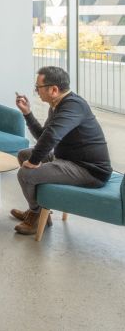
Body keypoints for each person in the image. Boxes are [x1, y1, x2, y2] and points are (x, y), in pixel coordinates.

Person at [11, 66, 112, 235]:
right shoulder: (57, 105)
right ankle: (42, 212)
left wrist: (34, 162)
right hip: (68, 159)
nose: (36, 91)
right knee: (23, 154)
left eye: (38, 88)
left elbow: (52, 136)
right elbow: (44, 135)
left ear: (54, 89)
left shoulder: (74, 106)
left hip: (89, 169)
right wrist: (28, 113)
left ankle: (35, 214)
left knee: (25, 173)